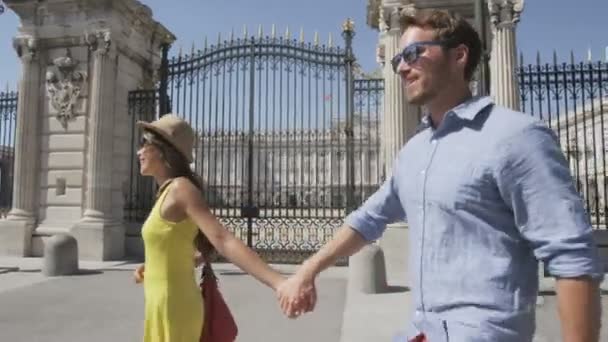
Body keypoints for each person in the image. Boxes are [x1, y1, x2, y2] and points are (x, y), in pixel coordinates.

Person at [277, 9, 604, 342]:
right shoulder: (414, 150)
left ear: (459, 56)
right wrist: (308, 270)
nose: (402, 67)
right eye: (397, 59)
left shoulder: (516, 136)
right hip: (421, 333)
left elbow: (572, 257)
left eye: (413, 54)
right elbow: (368, 218)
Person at [132, 114, 284, 342]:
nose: (139, 152)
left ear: (163, 150)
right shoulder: (165, 192)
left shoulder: (180, 189)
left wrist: (279, 282)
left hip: (174, 308)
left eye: (145, 144)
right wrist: (154, 264)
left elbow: (222, 239)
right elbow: (182, 248)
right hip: (160, 305)